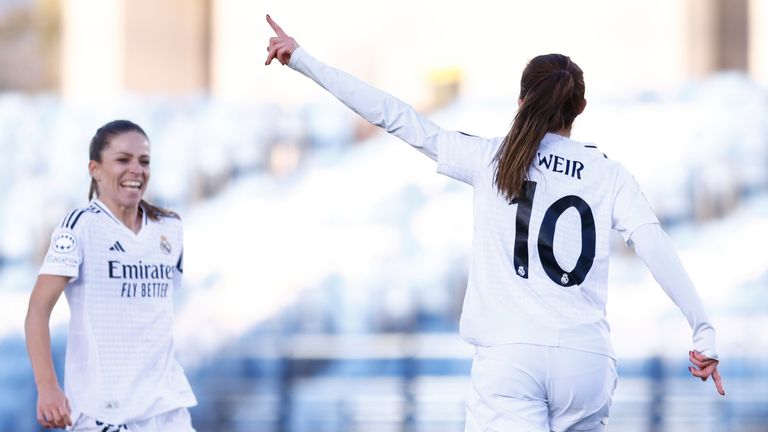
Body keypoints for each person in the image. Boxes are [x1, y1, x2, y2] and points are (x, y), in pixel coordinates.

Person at [265, 15, 724, 432]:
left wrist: (302, 60)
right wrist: (703, 330)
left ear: (522, 100)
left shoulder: (490, 159)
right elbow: (653, 244)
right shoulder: (609, 175)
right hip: (586, 362)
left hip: (511, 361)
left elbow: (394, 116)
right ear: (580, 108)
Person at [25, 120, 197, 431]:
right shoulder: (81, 226)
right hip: (103, 413)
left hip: (168, 408)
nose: (136, 169)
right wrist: (47, 387)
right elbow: (37, 310)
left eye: (144, 161)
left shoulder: (170, 227)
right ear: (96, 169)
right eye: (123, 160)